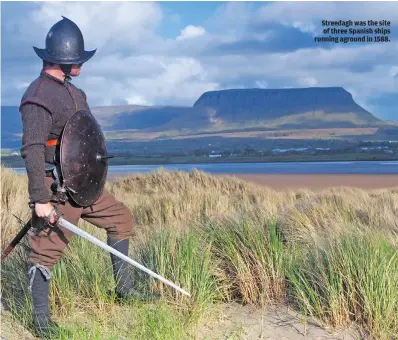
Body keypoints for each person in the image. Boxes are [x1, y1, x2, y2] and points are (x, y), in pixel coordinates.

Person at [20, 16, 138, 338]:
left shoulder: (75, 93)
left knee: (121, 219)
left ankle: (124, 291)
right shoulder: (38, 95)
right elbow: (31, 149)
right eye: (77, 61)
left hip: (86, 187)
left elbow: (82, 138)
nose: (81, 66)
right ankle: (41, 324)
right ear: (63, 60)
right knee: (45, 251)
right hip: (57, 191)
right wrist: (40, 199)